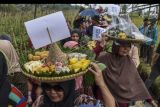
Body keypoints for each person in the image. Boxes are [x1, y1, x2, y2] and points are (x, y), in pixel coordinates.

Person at [93, 35, 153, 107]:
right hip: (104, 99)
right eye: (122, 45)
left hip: (122, 101)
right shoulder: (105, 58)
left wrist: (150, 99)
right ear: (116, 46)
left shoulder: (129, 62)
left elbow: (137, 81)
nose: (126, 49)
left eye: (128, 46)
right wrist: (101, 45)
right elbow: (91, 59)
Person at [32, 63, 116, 107]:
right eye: (47, 87)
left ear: (68, 86)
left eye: (58, 88)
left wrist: (101, 83)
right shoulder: (41, 101)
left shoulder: (81, 101)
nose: (52, 92)